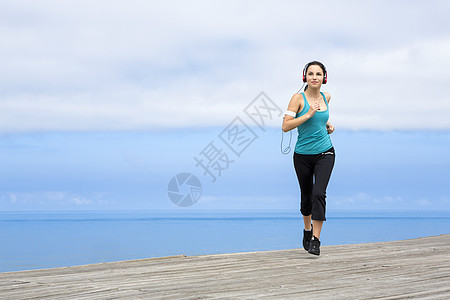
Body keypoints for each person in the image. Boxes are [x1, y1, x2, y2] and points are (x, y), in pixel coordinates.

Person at [282, 61, 335, 256]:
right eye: (311, 74)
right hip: (302, 155)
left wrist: (328, 124)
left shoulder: (326, 97)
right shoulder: (298, 99)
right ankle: (307, 230)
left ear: (324, 78)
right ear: (305, 77)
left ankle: (316, 240)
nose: (314, 77)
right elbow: (286, 126)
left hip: (325, 152)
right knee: (306, 196)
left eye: (318, 74)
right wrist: (309, 114)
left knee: (318, 194)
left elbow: (321, 118)